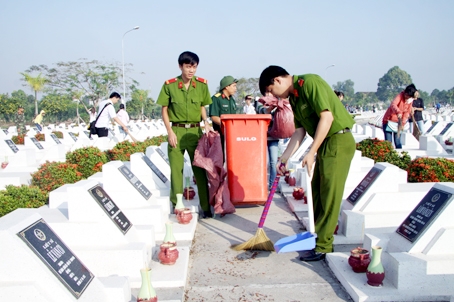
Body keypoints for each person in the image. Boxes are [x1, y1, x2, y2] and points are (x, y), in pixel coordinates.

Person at [259, 65, 356, 262]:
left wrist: (311, 152)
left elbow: (326, 117)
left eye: (271, 91)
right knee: (317, 192)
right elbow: (299, 131)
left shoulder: (310, 83)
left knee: (329, 193)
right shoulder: (294, 97)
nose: (274, 96)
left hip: (338, 139)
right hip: (325, 143)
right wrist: (284, 158)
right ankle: (317, 237)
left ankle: (323, 246)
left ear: (277, 80)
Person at [156, 51, 214, 218]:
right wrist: (170, 132)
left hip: (196, 131)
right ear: (180, 66)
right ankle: (177, 206)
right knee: (176, 170)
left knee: (200, 170)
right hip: (177, 131)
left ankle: (205, 207)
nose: (191, 70)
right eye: (188, 66)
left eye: (194, 67)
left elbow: (203, 106)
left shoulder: (202, 85)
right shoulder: (170, 85)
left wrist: (206, 123)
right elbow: (164, 110)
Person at [209, 75, 238, 161]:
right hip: (220, 136)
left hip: (231, 135)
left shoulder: (232, 100)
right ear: (227, 86)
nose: (235, 88)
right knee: (221, 159)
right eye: (234, 86)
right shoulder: (216, 98)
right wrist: (227, 125)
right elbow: (214, 117)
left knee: (232, 158)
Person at [382, 84, 417, 149]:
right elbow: (393, 104)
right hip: (388, 121)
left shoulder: (410, 101)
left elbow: (407, 112)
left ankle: (399, 156)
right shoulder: (400, 96)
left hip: (398, 123)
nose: (406, 97)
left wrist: (403, 123)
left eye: (408, 96)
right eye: (406, 95)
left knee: (397, 141)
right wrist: (398, 111)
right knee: (388, 142)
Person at [258, 92, 281, 190]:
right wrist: (270, 108)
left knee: (273, 162)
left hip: (274, 137)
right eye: (266, 92)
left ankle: (272, 185)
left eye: (270, 92)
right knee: (265, 162)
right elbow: (262, 111)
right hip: (262, 137)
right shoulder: (259, 102)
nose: (268, 94)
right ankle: (262, 184)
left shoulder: (278, 103)